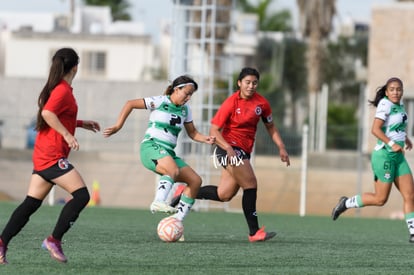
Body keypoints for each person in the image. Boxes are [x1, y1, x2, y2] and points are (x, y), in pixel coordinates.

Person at [0, 48, 101, 264]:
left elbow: (58, 115)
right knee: (82, 196)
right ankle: (54, 240)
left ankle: (1, 242)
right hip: (52, 156)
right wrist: (67, 135)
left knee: (31, 204)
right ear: (76, 67)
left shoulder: (59, 88)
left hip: (44, 153)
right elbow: (47, 114)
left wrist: (81, 124)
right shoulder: (62, 90)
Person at [183, 67, 290, 242]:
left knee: (224, 194)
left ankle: (187, 192)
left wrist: (281, 147)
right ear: (239, 83)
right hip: (225, 148)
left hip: (242, 151)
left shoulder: (261, 104)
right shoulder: (231, 102)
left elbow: (270, 126)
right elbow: (214, 130)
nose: (251, 86)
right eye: (247, 82)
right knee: (250, 183)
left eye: (254, 83)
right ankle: (254, 232)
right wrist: (228, 148)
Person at [103, 75, 215, 223]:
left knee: (195, 181)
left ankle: (177, 220)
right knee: (172, 170)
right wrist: (118, 126)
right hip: (151, 147)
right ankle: (158, 201)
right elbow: (130, 103)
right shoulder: (160, 101)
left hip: (168, 153)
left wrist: (206, 138)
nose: (188, 98)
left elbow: (193, 133)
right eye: (186, 93)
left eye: (191, 95)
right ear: (176, 89)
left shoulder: (185, 109)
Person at [332, 77, 414, 243]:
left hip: (399, 158)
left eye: (398, 89)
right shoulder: (385, 104)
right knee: (380, 199)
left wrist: (404, 139)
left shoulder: (400, 105)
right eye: (392, 89)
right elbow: (375, 129)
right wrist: (392, 143)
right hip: (384, 156)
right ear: (386, 91)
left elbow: (394, 126)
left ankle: (413, 233)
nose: (396, 92)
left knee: (410, 195)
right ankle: (346, 203)